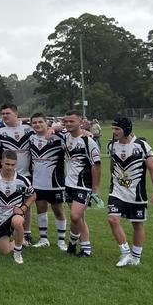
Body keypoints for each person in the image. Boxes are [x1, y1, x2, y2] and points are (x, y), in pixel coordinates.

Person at [106, 117, 153, 267]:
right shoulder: (111, 145)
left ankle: (136, 257)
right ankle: (125, 253)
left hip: (137, 194)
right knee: (113, 219)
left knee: (137, 224)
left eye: (117, 129)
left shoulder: (141, 145)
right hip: (116, 191)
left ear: (126, 129)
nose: (114, 132)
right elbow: (112, 164)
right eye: (113, 128)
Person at [0, 104, 34, 243]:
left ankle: (26, 233)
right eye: (2, 113)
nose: (4, 116)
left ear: (16, 114)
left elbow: (45, 131)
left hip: (24, 174)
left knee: (26, 205)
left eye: (7, 113)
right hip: (5, 175)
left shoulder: (28, 128)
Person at [60, 110, 102, 257]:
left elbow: (96, 165)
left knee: (75, 216)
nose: (68, 124)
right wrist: (53, 128)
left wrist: (95, 188)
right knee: (78, 218)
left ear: (81, 122)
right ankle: (75, 246)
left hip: (83, 185)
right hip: (69, 184)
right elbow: (52, 128)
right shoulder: (64, 138)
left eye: (72, 121)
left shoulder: (88, 141)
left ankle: (85, 248)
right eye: (66, 121)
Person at [0, 150, 36, 264]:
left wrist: (23, 208)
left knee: (17, 222)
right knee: (4, 251)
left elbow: (33, 195)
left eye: (13, 165)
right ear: (1, 162)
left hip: (15, 214)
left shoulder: (22, 180)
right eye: (7, 164)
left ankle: (18, 252)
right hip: (0, 218)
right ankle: (20, 240)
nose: (10, 167)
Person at [28, 113, 67, 250]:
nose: (37, 125)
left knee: (58, 211)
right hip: (37, 183)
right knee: (40, 210)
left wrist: (55, 128)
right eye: (34, 123)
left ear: (46, 123)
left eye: (40, 122)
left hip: (55, 183)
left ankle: (61, 241)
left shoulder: (59, 137)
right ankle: (43, 239)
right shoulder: (31, 138)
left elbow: (68, 127)